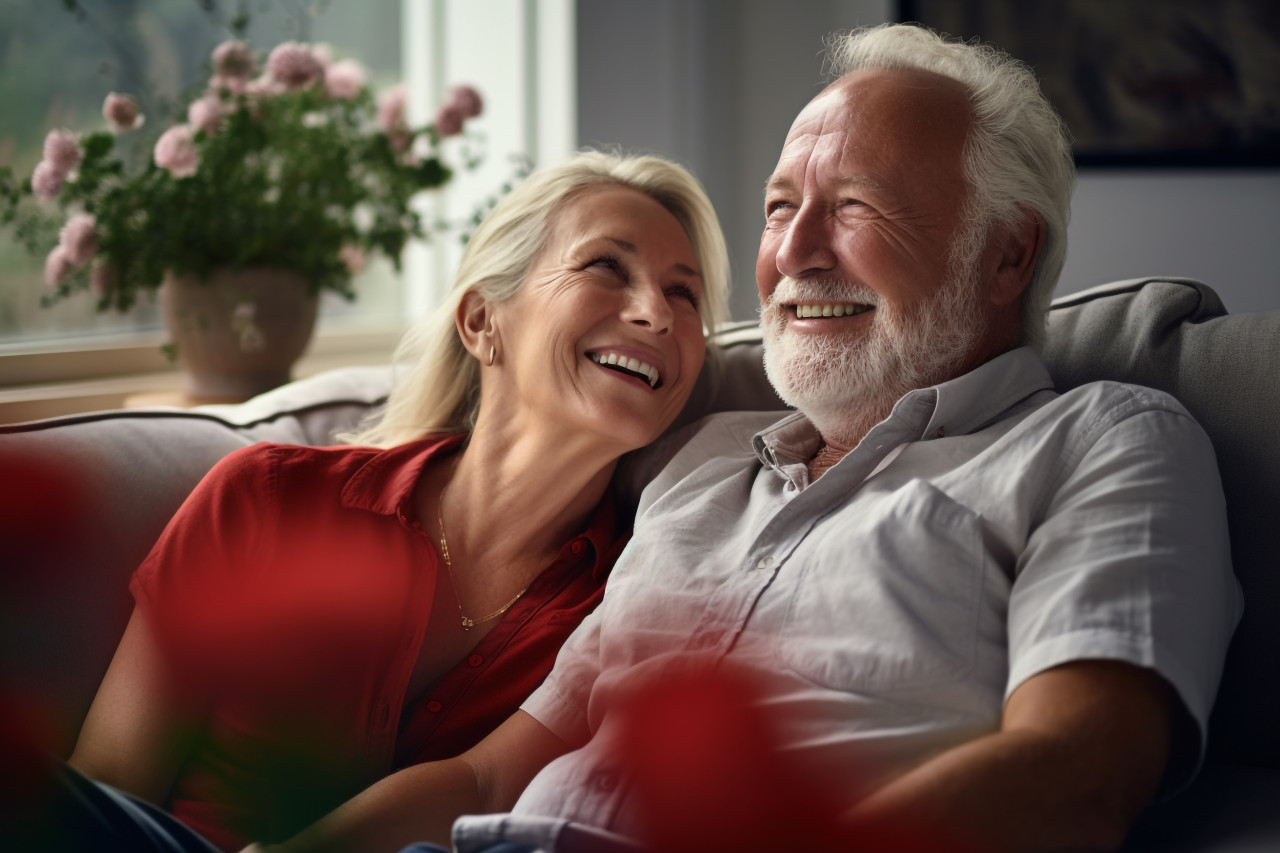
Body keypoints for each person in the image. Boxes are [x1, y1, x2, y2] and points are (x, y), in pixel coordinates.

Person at [247, 23, 1241, 853]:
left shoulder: (1104, 440)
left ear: (1004, 253)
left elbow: (1078, 770)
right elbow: (490, 768)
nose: (794, 255)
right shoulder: (702, 461)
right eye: (777, 208)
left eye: (852, 207)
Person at [7, 150, 730, 853]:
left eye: (683, 293)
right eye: (607, 266)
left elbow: (492, 792)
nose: (656, 314)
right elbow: (106, 788)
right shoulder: (264, 498)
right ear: (482, 321)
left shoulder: (636, 600)